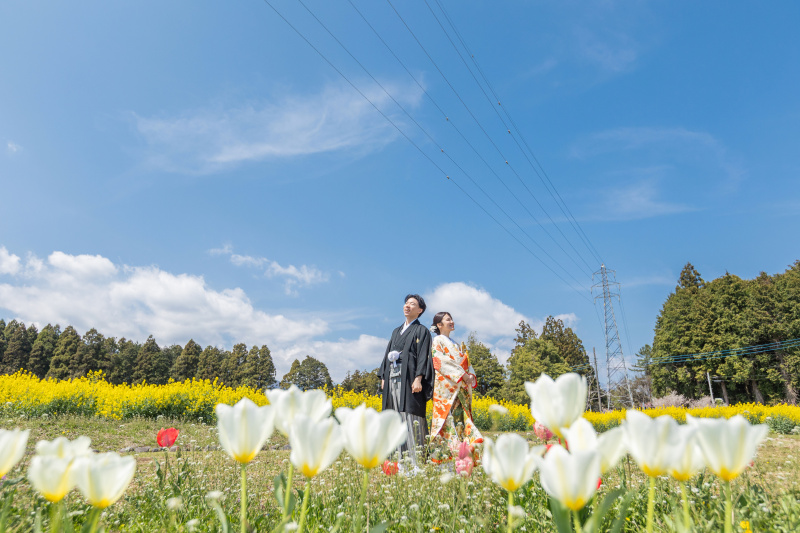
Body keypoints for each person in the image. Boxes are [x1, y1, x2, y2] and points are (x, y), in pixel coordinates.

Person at [378, 294, 433, 470]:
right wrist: (384, 377)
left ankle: (415, 460)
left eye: (412, 304)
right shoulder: (396, 331)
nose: (407, 306)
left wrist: (419, 378)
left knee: (410, 414)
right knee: (393, 414)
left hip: (410, 379)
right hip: (393, 377)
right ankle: (394, 460)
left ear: (420, 310)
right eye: (406, 304)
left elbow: (424, 356)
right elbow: (387, 354)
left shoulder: (422, 331)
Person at [428, 311, 483, 470]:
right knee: (448, 422)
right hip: (447, 388)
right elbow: (440, 361)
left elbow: (466, 362)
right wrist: (462, 375)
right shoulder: (437, 340)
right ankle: (446, 461)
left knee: (461, 421)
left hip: (459, 387)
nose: (451, 321)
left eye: (451, 319)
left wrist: (470, 375)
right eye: (447, 319)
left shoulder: (456, 343)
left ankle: (463, 458)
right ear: (439, 325)